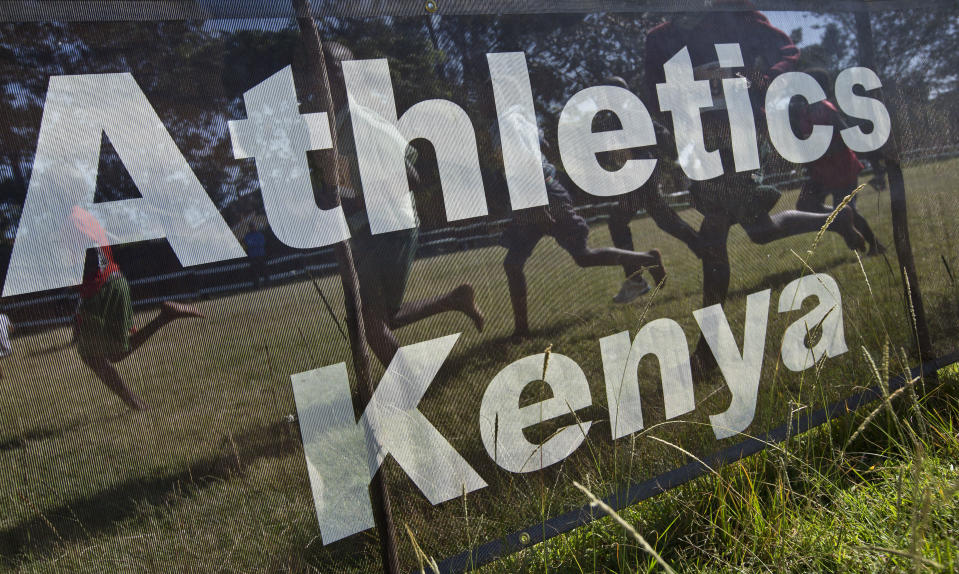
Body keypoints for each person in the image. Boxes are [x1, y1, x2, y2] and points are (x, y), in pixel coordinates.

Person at [644, 4, 866, 315]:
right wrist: (680, 124)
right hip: (699, 144)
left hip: (742, 135)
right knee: (761, 231)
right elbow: (655, 95)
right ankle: (837, 220)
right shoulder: (659, 39)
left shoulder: (734, 17)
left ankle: (709, 348)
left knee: (714, 229)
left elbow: (786, 50)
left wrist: (761, 80)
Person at [320, 42, 484, 365]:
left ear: (338, 76)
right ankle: (454, 299)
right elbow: (354, 182)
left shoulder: (359, 122)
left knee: (372, 320)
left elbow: (410, 176)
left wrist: (358, 205)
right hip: (374, 226)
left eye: (317, 71)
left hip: (388, 226)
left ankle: (408, 388)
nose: (308, 83)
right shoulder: (339, 124)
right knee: (381, 317)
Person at [479, 82, 667, 338]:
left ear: (494, 99)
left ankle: (647, 259)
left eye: (484, 98)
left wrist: (538, 203)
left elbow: (527, 164)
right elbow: (543, 147)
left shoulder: (503, 125)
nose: (480, 103)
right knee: (513, 263)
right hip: (535, 194)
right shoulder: (519, 118)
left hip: (540, 195)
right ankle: (521, 331)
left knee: (583, 256)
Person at [70, 207, 204, 411]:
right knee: (112, 354)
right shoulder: (82, 215)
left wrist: (73, 278)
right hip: (112, 282)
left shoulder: (72, 222)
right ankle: (137, 405)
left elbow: (89, 255)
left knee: (94, 356)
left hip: (98, 289)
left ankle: (136, 404)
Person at [599, 76, 705, 303]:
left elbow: (663, 137)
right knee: (665, 220)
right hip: (635, 173)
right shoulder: (615, 116)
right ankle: (706, 251)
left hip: (642, 171)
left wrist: (634, 147)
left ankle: (638, 277)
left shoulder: (632, 110)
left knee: (618, 222)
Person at [794, 68, 885, 256]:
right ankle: (841, 219)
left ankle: (874, 244)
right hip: (820, 171)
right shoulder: (805, 111)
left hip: (841, 168)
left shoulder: (826, 108)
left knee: (845, 209)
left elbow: (846, 135)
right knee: (805, 205)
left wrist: (824, 149)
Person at [0, 311, 12, 379]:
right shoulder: (4, 316)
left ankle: (1, 375)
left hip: (4, 349)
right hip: (8, 348)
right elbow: (11, 329)